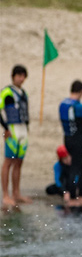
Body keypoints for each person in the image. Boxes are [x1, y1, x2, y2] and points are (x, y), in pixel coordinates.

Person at [1, 64, 31, 207]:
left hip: (23, 130)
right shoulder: (6, 92)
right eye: (19, 75)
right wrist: (5, 129)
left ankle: (16, 193)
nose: (21, 78)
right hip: (11, 130)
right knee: (8, 161)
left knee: (19, 162)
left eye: (23, 76)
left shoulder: (24, 93)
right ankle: (6, 195)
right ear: (13, 76)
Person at [58, 80, 82, 181]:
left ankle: (72, 192)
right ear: (81, 91)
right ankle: (76, 194)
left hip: (66, 137)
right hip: (77, 140)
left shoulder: (63, 104)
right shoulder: (78, 106)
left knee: (74, 166)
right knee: (78, 167)